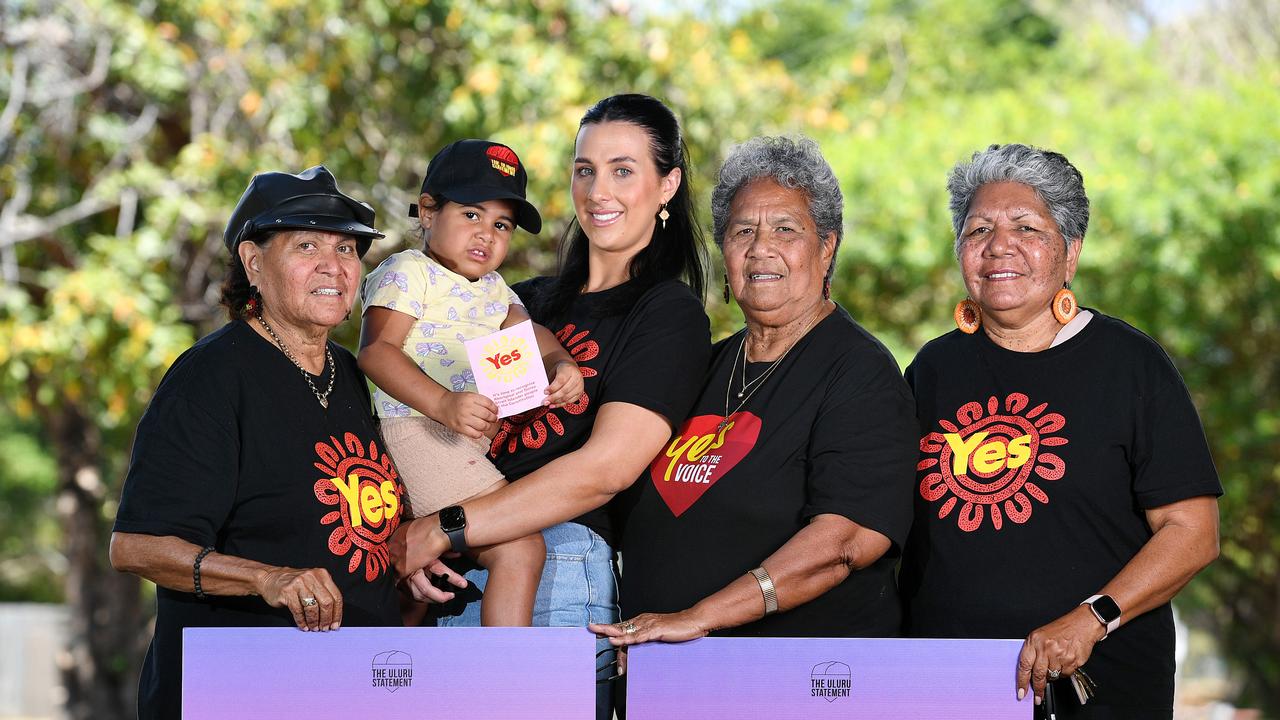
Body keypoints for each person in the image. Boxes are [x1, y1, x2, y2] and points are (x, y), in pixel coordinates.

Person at [390, 93, 711, 720]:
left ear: (667, 185)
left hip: (555, 566)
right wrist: (419, 532)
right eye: (584, 169)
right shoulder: (521, 300)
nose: (598, 189)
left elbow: (605, 470)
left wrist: (441, 526)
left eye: (624, 169)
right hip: (457, 564)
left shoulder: (667, 315)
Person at [108, 166, 456, 719]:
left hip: (354, 687)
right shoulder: (211, 378)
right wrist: (268, 579)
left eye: (346, 249)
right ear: (253, 263)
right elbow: (135, 546)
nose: (333, 266)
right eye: (306, 245)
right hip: (241, 691)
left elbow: (340, 508)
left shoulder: (348, 371)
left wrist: (395, 549)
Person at [898, 144, 1221, 719]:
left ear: (1069, 252)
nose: (1000, 246)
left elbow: (1193, 532)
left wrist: (1092, 617)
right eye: (978, 231)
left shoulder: (1130, 365)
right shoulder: (932, 370)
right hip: (950, 686)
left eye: (1027, 227)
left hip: (1098, 689)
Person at [591, 136, 918, 652]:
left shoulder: (861, 373)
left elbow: (844, 543)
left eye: (786, 230)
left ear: (826, 246)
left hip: (798, 679)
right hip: (665, 676)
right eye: (743, 231)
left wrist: (700, 617)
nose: (761, 248)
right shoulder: (700, 367)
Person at [358, 139, 584, 627]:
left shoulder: (495, 288)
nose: (487, 234)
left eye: (501, 225)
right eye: (471, 215)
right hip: (419, 430)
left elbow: (531, 335)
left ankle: (396, 679)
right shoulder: (407, 272)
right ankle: (505, 682)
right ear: (427, 211)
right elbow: (377, 351)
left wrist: (562, 366)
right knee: (519, 544)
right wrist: (442, 403)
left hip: (460, 440)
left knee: (424, 581)